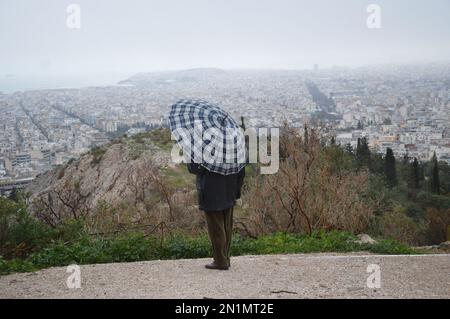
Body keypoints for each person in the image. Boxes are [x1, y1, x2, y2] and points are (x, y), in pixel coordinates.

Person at [187, 163, 245, 270]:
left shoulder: (207, 148)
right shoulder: (234, 148)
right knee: (227, 227)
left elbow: (194, 169)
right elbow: (241, 171)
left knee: (216, 229)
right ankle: (225, 258)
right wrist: (236, 192)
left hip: (211, 192)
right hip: (229, 191)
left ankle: (220, 261)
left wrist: (190, 159)